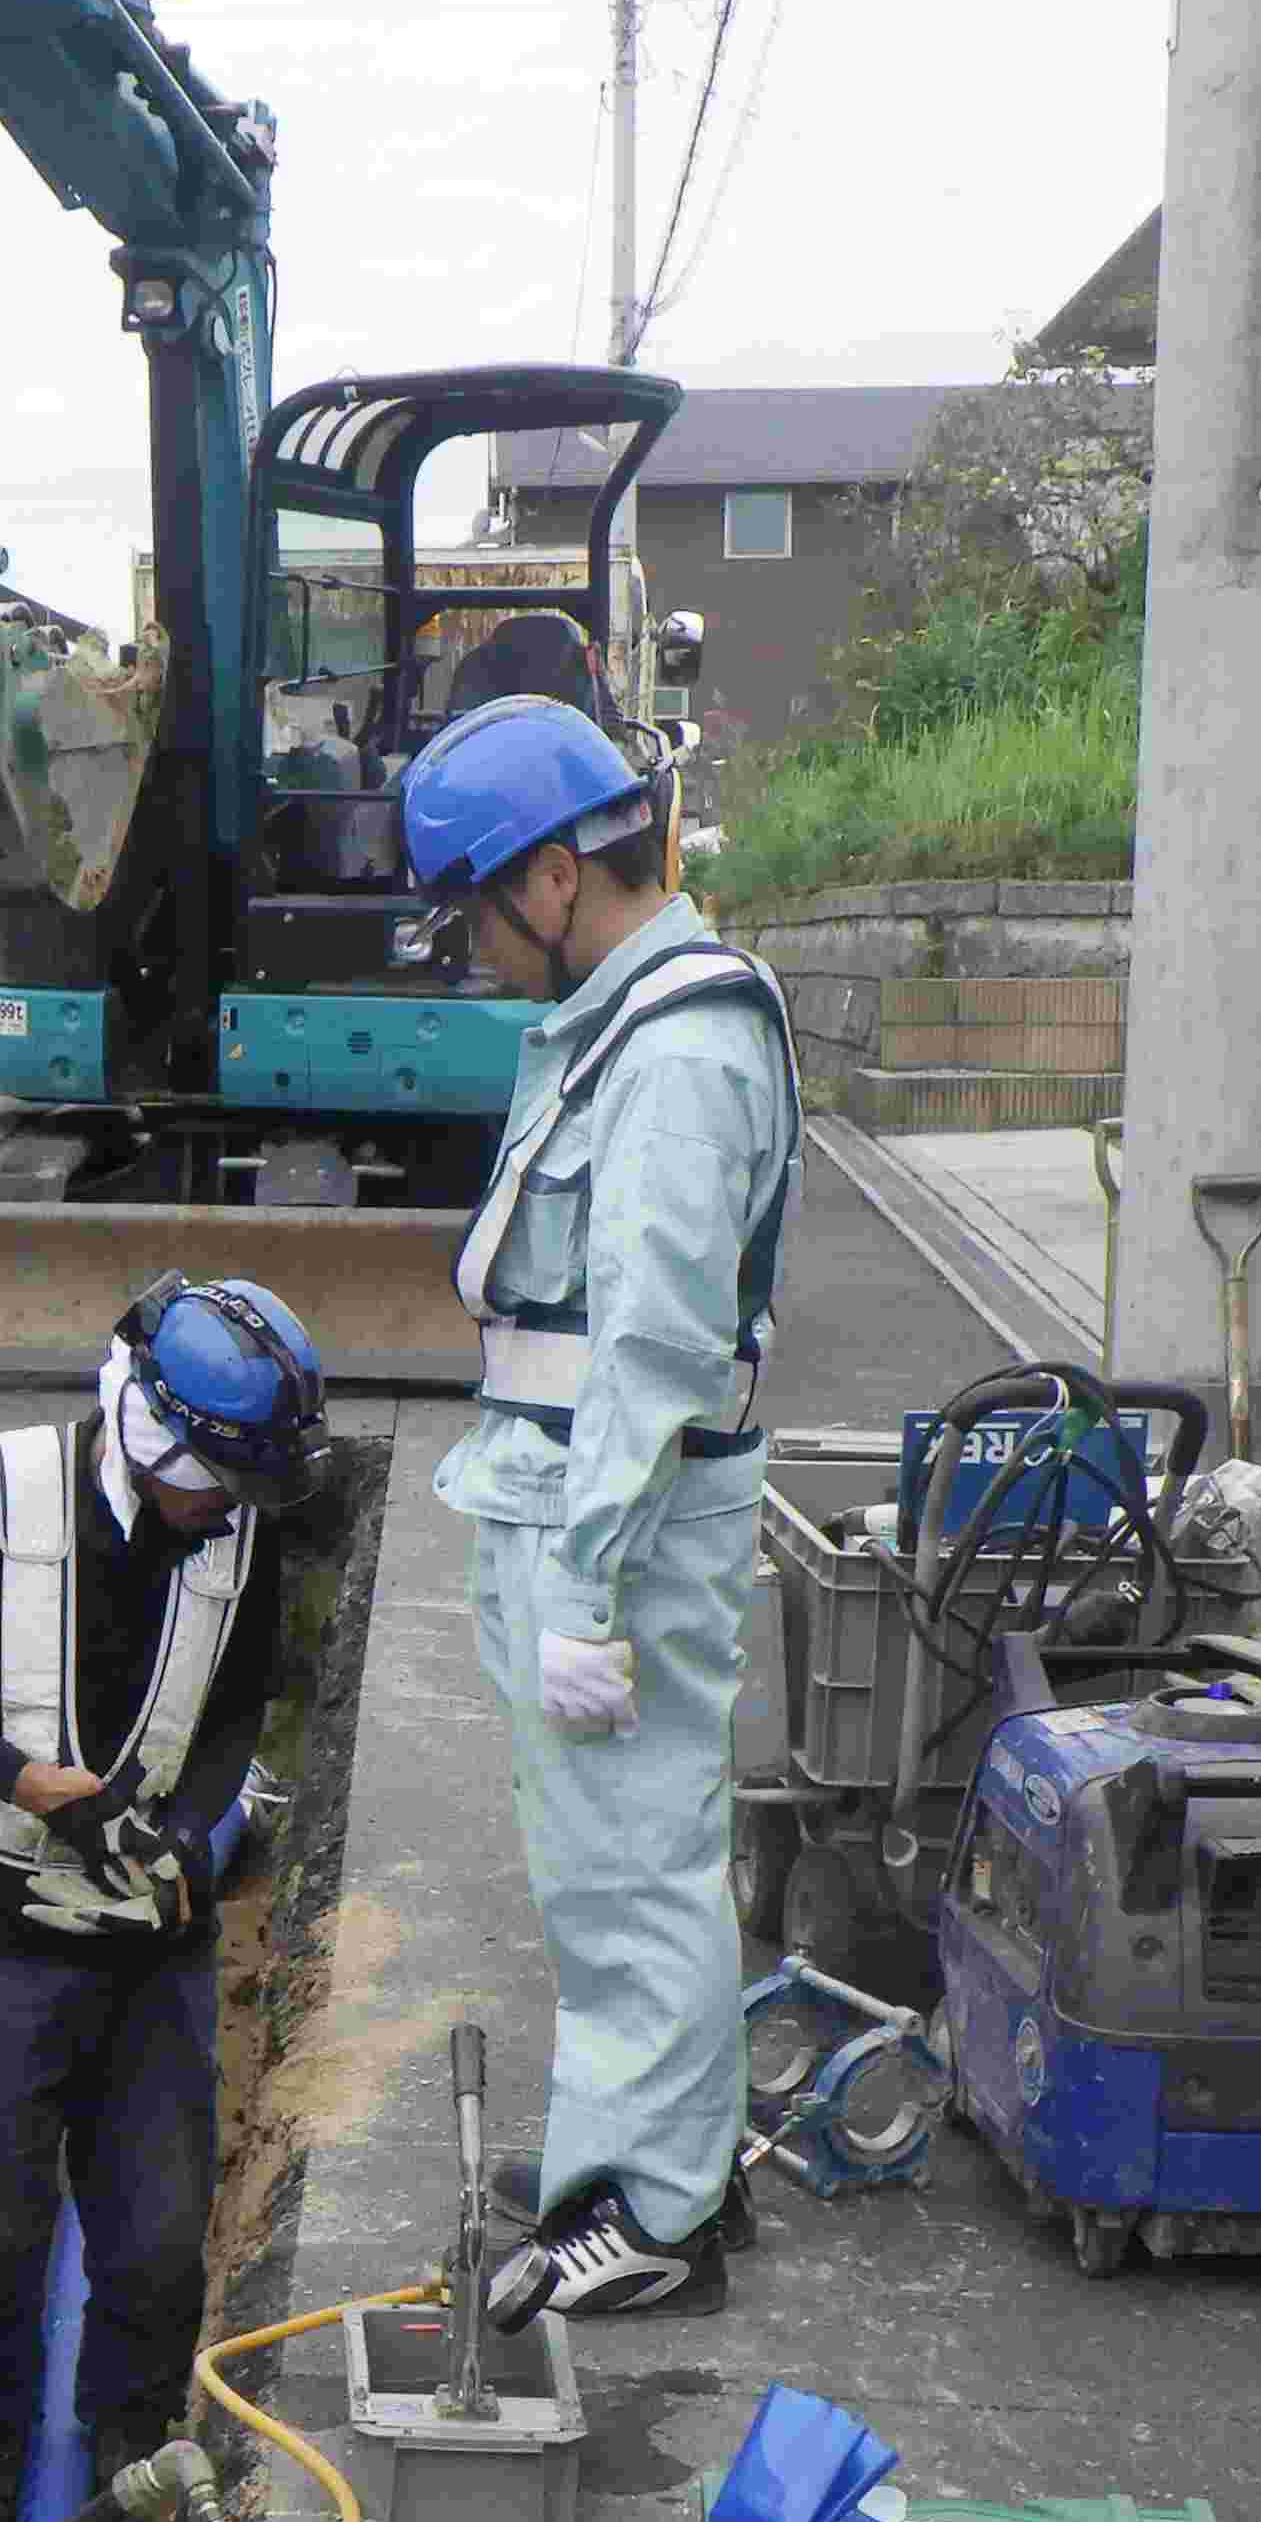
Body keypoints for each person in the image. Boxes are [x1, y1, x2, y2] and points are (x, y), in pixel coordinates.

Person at [397, 692, 800, 2326]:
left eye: (476, 912)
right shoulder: (630, 1025)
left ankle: (650, 2213)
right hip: (581, 1515)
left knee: (633, 1872)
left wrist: (585, 1590)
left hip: (614, 1533)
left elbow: (652, 1348)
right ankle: (644, 2147)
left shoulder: (683, 1053)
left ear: (553, 877)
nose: (476, 950)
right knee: (609, 1866)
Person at [0, 1275, 323, 2522]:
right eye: (213, 1486)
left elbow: (237, 1707)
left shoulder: (237, 1534)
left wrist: (185, 1828)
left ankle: (121, 2519)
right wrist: (25, 1779)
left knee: (161, 2252)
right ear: (157, 1442)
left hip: (151, 1957)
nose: (228, 1516)